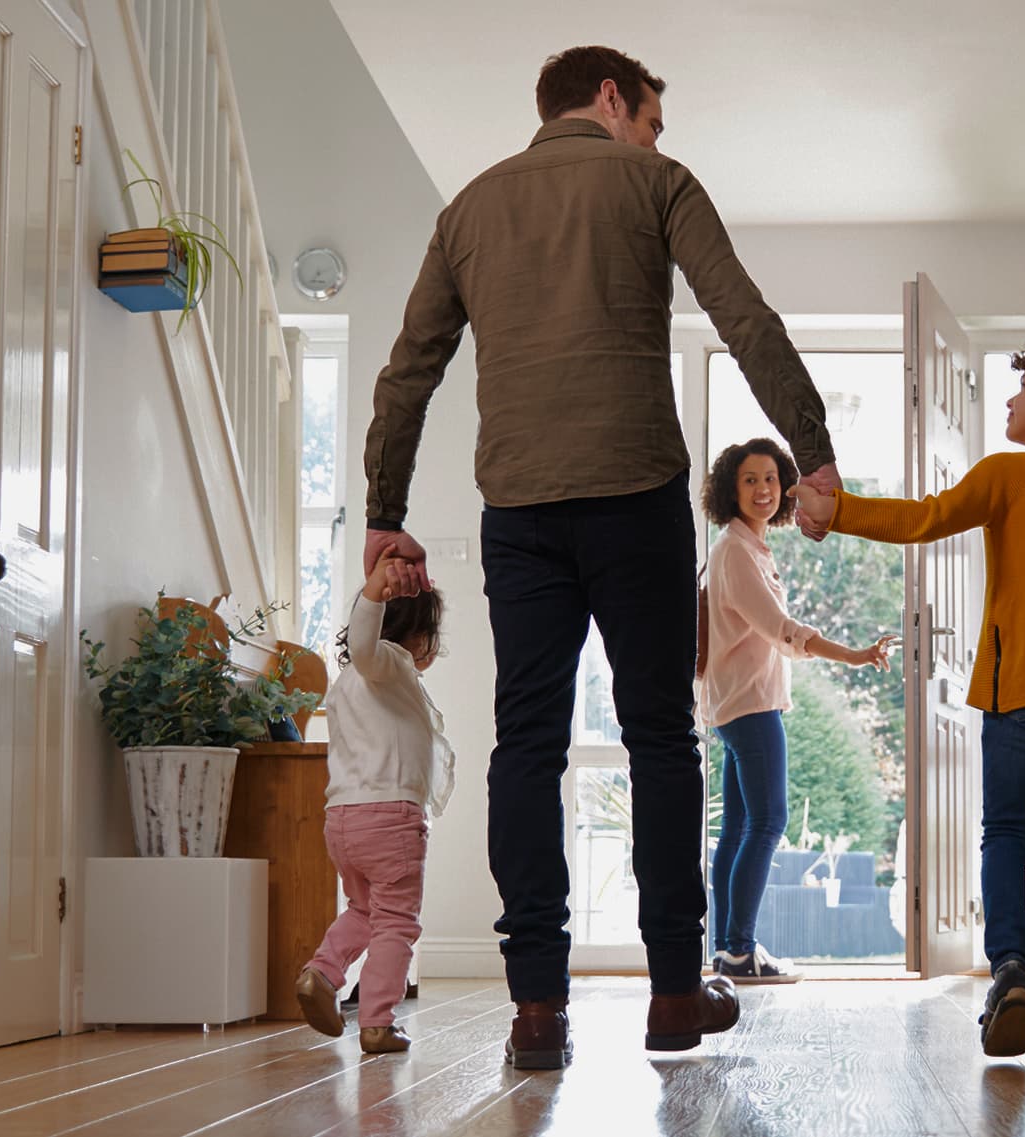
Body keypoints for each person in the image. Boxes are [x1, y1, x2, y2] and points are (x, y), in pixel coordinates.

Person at [361, 45, 842, 1070]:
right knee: (661, 737)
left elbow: (409, 373)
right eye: (653, 119)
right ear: (613, 98)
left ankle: (536, 1009)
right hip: (635, 500)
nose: (658, 140)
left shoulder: (469, 210)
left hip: (521, 509)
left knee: (525, 745)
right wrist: (814, 454)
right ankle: (675, 992)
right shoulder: (656, 182)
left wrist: (382, 509)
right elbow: (742, 318)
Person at [791, 333, 1025, 1059]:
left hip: (1022, 684)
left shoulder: (1009, 475)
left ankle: (1011, 966)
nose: (1011, 399)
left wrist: (837, 509)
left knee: (1007, 831)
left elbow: (922, 518)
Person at [698, 438, 896, 984]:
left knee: (740, 827)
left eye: (769, 479)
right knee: (767, 821)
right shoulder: (736, 552)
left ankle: (729, 952)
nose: (762, 490)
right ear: (728, 491)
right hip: (749, 705)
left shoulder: (745, 547)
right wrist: (854, 655)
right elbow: (784, 631)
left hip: (738, 701)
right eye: (749, 480)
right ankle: (737, 949)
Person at [293, 555, 451, 1054]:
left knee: (364, 909)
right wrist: (375, 593)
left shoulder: (347, 685)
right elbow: (365, 644)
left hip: (342, 821)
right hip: (391, 819)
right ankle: (378, 1021)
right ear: (418, 634)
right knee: (397, 920)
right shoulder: (386, 664)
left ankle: (320, 974)